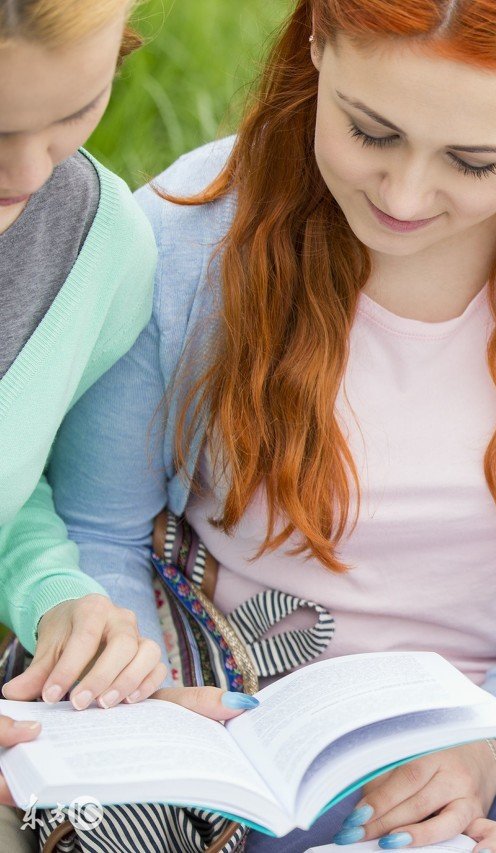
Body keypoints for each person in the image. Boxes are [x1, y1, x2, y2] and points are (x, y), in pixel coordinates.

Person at [50, 0, 496, 849]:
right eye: (371, 133)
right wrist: (168, 708)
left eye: (473, 161)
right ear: (318, 40)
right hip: (259, 734)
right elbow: (101, 527)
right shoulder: (181, 236)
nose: (404, 196)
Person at [0, 3, 256, 845]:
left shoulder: (97, 244)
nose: (29, 174)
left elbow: (14, 480)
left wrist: (58, 593)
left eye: (75, 112)